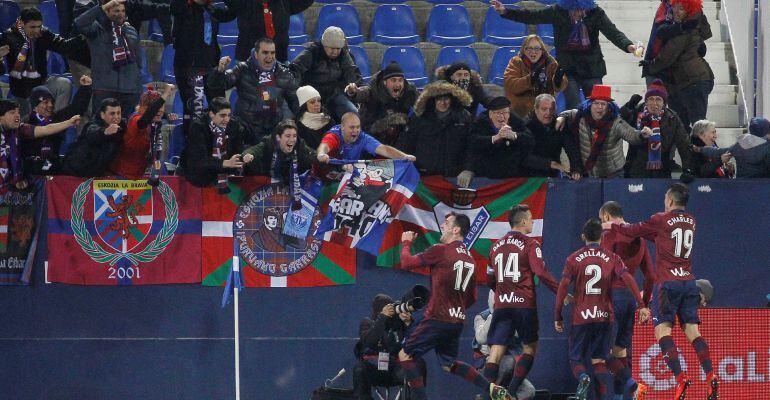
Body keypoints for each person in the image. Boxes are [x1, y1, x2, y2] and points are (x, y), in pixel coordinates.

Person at [605, 183, 720, 400]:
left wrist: (615, 225)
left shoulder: (660, 219)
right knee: (694, 333)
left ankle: (680, 377)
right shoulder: (691, 221)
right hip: (689, 282)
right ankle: (711, 374)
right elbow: (662, 238)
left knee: (663, 332)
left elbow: (633, 230)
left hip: (667, 284)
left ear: (669, 200)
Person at [398, 213, 513, 400]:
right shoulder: (470, 259)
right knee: (448, 364)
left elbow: (406, 263)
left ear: (456, 229)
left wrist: (406, 243)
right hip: (456, 322)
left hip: (437, 318)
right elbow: (472, 298)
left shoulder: (441, 250)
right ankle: (491, 388)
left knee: (405, 355)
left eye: (446, 223)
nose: (442, 225)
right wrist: (455, 307)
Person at [554, 219, 650, 400]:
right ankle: (632, 383)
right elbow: (628, 278)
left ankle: (583, 378)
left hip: (581, 316)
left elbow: (563, 287)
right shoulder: (612, 258)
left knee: (576, 358)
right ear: (602, 237)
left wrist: (557, 315)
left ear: (583, 236)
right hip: (605, 316)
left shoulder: (573, 258)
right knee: (601, 359)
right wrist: (642, 304)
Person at [490, 0, 640, 110]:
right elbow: (531, 16)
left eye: (581, 10)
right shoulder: (557, 12)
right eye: (574, 11)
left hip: (592, 67)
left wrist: (629, 46)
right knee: (574, 106)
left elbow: (613, 33)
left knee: (599, 104)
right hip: (569, 69)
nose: (578, 14)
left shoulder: (596, 13)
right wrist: (506, 12)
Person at [484, 204, 559, 397]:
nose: (533, 222)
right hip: (524, 304)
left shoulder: (495, 246)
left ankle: (488, 394)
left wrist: (501, 293)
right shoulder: (531, 244)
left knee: (495, 351)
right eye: (531, 219)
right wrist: (560, 291)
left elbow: (489, 279)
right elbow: (540, 272)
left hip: (502, 304)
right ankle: (510, 392)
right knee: (530, 348)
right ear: (524, 221)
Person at [598, 201, 655, 400]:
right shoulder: (639, 236)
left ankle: (631, 387)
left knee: (602, 352)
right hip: (631, 299)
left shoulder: (607, 235)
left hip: (611, 297)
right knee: (621, 353)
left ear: (605, 216)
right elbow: (650, 276)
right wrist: (644, 304)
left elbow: (604, 269)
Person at [639, 0, 714, 132]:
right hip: (691, 80)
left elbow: (669, 54)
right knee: (688, 127)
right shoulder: (685, 25)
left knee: (699, 128)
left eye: (682, 9)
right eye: (675, 8)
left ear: (689, 11)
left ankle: (706, 151)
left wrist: (650, 67)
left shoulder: (686, 29)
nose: (676, 12)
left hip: (694, 80)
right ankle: (695, 151)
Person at [207, 38, 298, 144]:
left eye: (272, 53)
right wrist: (219, 71)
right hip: (246, 128)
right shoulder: (242, 69)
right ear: (256, 54)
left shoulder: (283, 73)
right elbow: (217, 84)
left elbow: (295, 101)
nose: (269, 56)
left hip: (273, 129)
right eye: (265, 52)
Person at [0, 7, 86, 118]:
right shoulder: (8, 36)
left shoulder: (43, 33)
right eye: (32, 27)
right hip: (21, 90)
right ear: (21, 23)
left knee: (64, 84)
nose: (36, 30)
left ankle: (56, 121)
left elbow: (64, 46)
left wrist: (83, 38)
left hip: (43, 83)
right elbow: (1, 71)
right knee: (27, 125)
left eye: (39, 26)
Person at [555, 85, 649, 178]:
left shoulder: (616, 122)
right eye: (596, 103)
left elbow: (631, 134)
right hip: (588, 173)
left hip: (613, 174)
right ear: (590, 104)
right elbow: (569, 113)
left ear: (609, 107)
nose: (600, 107)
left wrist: (642, 134)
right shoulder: (580, 116)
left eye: (603, 104)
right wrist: (561, 117)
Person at [170, 0, 235, 134]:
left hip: (210, 67)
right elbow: (176, 6)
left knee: (219, 107)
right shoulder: (183, 7)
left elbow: (231, 13)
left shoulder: (211, 10)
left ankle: (218, 144)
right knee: (193, 110)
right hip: (189, 68)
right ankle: (191, 144)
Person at [397, 81, 473, 186]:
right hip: (423, 175)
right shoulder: (419, 117)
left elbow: (470, 146)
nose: (443, 103)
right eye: (439, 99)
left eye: (446, 98)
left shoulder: (464, 117)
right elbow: (407, 144)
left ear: (452, 99)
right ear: (432, 100)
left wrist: (468, 169)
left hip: (453, 176)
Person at [75, 0, 143, 116]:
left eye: (122, 11)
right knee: (102, 128)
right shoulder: (96, 29)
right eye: (116, 11)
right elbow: (79, 23)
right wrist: (101, 7)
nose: (120, 14)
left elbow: (138, 60)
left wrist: (136, 85)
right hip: (104, 89)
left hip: (130, 91)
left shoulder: (131, 30)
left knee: (127, 130)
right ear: (107, 11)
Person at [353, 293, 425, 400]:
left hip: (395, 370)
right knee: (359, 369)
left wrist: (409, 323)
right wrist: (382, 318)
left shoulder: (399, 325)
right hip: (374, 369)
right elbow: (369, 342)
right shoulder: (367, 323)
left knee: (419, 363)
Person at [0, 99, 80, 190]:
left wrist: (69, 122)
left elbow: (46, 129)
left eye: (18, 112)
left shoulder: (20, 129)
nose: (17, 115)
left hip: (9, 186)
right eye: (12, 112)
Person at [472, 290, 537, 400]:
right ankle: (488, 395)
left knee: (529, 391)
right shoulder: (482, 317)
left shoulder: (514, 316)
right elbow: (481, 338)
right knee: (508, 362)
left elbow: (518, 336)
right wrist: (494, 315)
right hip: (487, 366)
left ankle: (501, 396)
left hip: (509, 369)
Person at [620, 80, 692, 178]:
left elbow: (684, 143)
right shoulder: (636, 113)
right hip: (635, 168)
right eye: (651, 99)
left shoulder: (672, 118)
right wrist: (628, 107)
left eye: (658, 99)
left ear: (664, 103)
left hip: (662, 169)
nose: (654, 103)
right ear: (646, 102)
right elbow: (620, 122)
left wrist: (687, 169)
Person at [23, 75, 92, 176]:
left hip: (53, 166)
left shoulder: (57, 118)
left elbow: (76, 108)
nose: (50, 105)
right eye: (45, 102)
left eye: (52, 101)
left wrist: (85, 88)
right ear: (35, 107)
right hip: (30, 170)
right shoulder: (25, 123)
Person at [315, 113, 415, 181]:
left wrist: (404, 156)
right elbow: (324, 146)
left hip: (347, 176)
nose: (356, 131)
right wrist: (321, 154)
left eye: (358, 127)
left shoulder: (363, 138)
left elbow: (384, 149)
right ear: (342, 127)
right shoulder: (334, 135)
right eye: (352, 127)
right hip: (325, 177)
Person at [291, 27, 362, 121]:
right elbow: (295, 70)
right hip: (313, 95)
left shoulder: (344, 54)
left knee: (353, 115)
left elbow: (352, 71)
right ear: (324, 45)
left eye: (338, 49)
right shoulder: (312, 52)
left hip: (335, 94)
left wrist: (353, 86)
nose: (335, 52)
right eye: (332, 48)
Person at [181, 97, 253, 188]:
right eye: (222, 115)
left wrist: (244, 156)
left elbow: (240, 149)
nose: (227, 119)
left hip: (227, 174)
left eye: (229, 115)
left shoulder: (234, 125)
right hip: (199, 177)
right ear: (211, 114)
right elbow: (199, 161)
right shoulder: (198, 127)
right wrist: (226, 163)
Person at [109, 84, 177, 179]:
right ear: (145, 108)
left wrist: (167, 115)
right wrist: (165, 95)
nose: (160, 110)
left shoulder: (155, 124)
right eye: (156, 107)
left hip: (140, 176)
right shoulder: (136, 119)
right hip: (121, 177)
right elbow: (145, 119)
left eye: (162, 106)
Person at [345, 62, 417, 146]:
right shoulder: (373, 90)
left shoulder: (409, 92)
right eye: (393, 80)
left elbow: (422, 102)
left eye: (400, 80)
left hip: (398, 135)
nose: (398, 84)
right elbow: (362, 93)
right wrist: (353, 92)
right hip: (373, 135)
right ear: (385, 82)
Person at [643, 0, 711, 85]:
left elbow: (705, 32)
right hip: (659, 68)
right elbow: (661, 32)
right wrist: (682, 27)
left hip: (681, 74)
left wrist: (696, 41)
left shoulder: (692, 6)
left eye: (681, 8)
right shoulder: (666, 7)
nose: (677, 10)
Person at [222, 0, 314, 62]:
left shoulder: (284, 2)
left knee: (279, 89)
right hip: (247, 59)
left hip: (279, 58)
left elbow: (305, 1)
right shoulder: (242, 2)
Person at [503, 34, 568, 119]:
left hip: (545, 113)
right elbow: (511, 84)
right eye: (529, 48)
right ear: (523, 50)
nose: (533, 52)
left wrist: (558, 80)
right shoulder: (516, 62)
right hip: (521, 114)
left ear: (542, 50)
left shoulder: (550, 62)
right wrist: (531, 79)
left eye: (536, 48)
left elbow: (559, 87)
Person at [468, 96, 531, 180]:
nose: (502, 116)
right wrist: (494, 138)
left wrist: (514, 136)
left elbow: (530, 139)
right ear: (490, 114)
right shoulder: (480, 122)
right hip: (484, 176)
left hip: (512, 176)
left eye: (505, 112)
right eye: (498, 112)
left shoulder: (516, 121)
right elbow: (472, 142)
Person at [520, 94, 582, 178]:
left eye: (551, 109)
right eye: (544, 109)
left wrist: (576, 169)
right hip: (528, 176)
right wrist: (550, 163)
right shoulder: (525, 127)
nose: (548, 113)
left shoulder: (560, 125)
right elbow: (522, 157)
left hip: (553, 175)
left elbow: (572, 149)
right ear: (536, 109)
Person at [61, 98, 125, 177]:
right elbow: (92, 133)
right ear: (102, 115)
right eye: (112, 113)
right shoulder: (92, 125)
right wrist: (105, 132)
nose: (116, 117)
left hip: (97, 174)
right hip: (74, 173)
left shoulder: (122, 126)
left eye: (118, 113)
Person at [243, 120, 316, 183]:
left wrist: (320, 157)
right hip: (266, 186)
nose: (292, 139)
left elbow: (312, 154)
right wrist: (248, 155)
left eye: (294, 136)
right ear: (278, 137)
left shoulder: (300, 145)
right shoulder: (269, 143)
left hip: (291, 186)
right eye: (288, 136)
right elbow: (254, 150)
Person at [695, 117, 770, 178]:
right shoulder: (767, 148)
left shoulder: (739, 145)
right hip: (762, 186)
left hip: (741, 186)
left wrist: (700, 149)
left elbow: (718, 152)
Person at [294, 85, 334, 150]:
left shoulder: (329, 119)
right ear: (304, 105)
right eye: (312, 102)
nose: (317, 104)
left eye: (319, 100)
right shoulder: (298, 124)